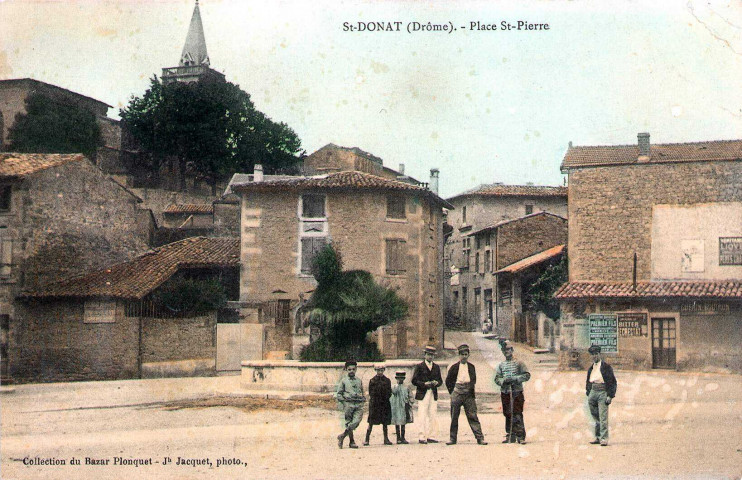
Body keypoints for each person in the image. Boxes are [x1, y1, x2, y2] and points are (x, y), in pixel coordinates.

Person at [444, 344, 487, 445]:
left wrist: (470, 389)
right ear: (459, 355)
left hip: (468, 394)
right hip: (457, 393)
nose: (464, 356)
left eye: (466, 354)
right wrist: (453, 391)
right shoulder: (454, 367)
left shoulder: (471, 367)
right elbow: (448, 381)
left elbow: (473, 380)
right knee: (454, 416)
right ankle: (452, 439)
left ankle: (480, 438)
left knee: (473, 416)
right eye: (462, 354)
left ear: (468, 355)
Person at [494, 340, 531, 444]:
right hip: (505, 392)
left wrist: (515, 379)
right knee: (507, 413)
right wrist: (503, 381)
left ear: (512, 350)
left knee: (517, 413)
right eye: (504, 350)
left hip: (516, 392)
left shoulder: (519, 363)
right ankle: (510, 435)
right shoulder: (501, 365)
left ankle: (520, 436)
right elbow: (497, 379)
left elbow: (527, 375)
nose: (506, 352)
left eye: (508, 349)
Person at [586, 345, 617, 446]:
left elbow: (613, 382)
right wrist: (589, 392)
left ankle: (604, 438)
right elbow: (588, 381)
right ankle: (598, 437)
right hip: (593, 392)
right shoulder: (591, 368)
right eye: (592, 355)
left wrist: (610, 395)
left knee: (603, 417)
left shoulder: (606, 367)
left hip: (603, 392)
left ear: (600, 354)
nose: (594, 356)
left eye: (596, 354)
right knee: (595, 417)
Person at [411, 345, 443, 444]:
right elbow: (414, 381)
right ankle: (422, 436)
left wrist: (437, 383)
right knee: (422, 415)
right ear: (425, 355)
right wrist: (424, 384)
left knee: (433, 414)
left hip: (433, 393)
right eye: (429, 355)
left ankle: (432, 436)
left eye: (432, 355)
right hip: (423, 393)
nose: (430, 357)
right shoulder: (419, 366)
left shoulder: (436, 367)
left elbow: (440, 381)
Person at [335, 360, 365, 449]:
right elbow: (339, 394)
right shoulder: (343, 381)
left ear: (356, 369)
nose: (351, 371)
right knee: (349, 422)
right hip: (348, 404)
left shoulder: (359, 381)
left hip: (358, 404)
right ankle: (352, 442)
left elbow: (362, 392)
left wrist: (363, 398)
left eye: (353, 369)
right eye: (349, 369)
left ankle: (342, 436)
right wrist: (344, 401)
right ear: (346, 370)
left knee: (356, 421)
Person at [364, 363, 393, 446]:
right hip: (375, 404)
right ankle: (367, 439)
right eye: (378, 370)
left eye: (381, 370)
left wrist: (385, 396)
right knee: (371, 422)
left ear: (384, 370)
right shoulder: (372, 380)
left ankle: (386, 439)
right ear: (375, 371)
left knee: (385, 422)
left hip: (384, 403)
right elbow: (371, 392)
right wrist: (376, 397)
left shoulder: (387, 380)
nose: (380, 372)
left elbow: (389, 392)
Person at [390, 370, 413, 444]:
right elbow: (394, 392)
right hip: (396, 406)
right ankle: (398, 438)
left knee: (403, 422)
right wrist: (397, 385)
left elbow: (410, 395)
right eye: (399, 378)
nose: (400, 380)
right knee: (397, 422)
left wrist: (410, 402)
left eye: (402, 378)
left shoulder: (407, 386)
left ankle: (403, 437)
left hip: (404, 405)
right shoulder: (394, 386)